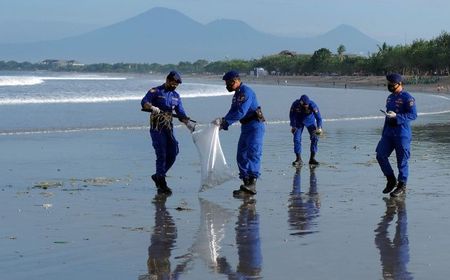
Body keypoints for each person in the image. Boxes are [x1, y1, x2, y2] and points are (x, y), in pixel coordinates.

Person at [212, 70, 265, 196]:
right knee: (241, 155)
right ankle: (246, 183)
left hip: (255, 126)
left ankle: (252, 183)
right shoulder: (237, 94)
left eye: (227, 83)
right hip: (246, 126)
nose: (226, 86)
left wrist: (226, 123)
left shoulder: (246, 92)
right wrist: (222, 122)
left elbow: (241, 112)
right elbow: (233, 111)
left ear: (235, 81)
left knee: (253, 153)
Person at [141, 71, 195, 194]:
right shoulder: (155, 91)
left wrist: (187, 123)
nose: (174, 86)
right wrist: (151, 107)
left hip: (168, 126)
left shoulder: (176, 96)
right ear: (167, 80)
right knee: (162, 153)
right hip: (157, 126)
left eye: (177, 84)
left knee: (174, 151)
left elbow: (180, 113)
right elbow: (144, 102)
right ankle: (161, 182)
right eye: (173, 83)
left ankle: (159, 175)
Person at [376, 73, 417, 197]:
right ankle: (391, 179)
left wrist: (397, 117)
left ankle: (401, 185)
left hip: (402, 133)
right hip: (388, 133)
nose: (390, 86)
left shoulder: (408, 98)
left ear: (400, 84)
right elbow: (387, 116)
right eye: (389, 84)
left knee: (402, 161)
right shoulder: (389, 98)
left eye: (392, 85)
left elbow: (413, 115)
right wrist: (383, 133)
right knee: (380, 155)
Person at [289, 94, 323, 166]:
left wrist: (319, 128)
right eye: (304, 105)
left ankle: (312, 159)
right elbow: (291, 115)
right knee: (296, 139)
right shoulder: (295, 104)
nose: (306, 106)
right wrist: (293, 125)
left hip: (310, 122)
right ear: (300, 103)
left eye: (307, 105)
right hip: (298, 122)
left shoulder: (313, 105)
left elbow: (319, 118)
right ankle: (298, 159)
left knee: (315, 137)